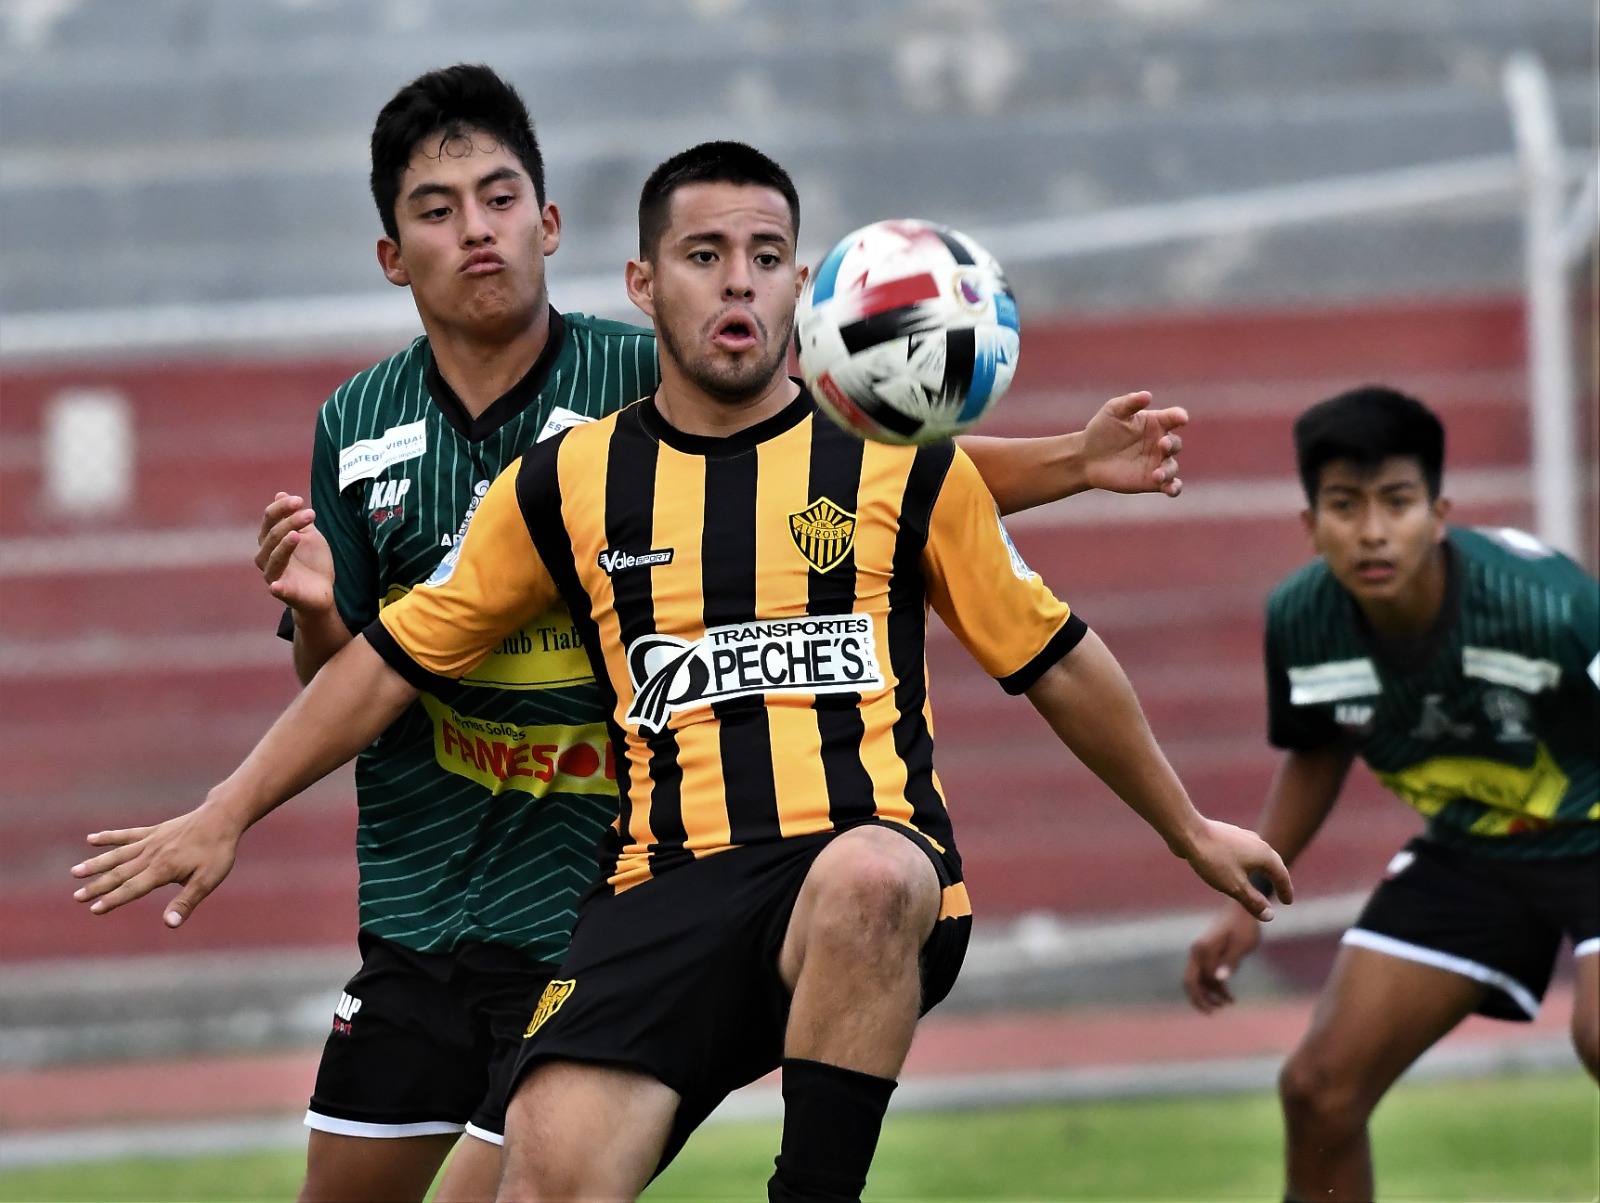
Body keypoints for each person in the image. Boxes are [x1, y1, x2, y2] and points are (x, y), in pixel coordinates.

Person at [74, 138, 1289, 1202]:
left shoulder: (903, 465)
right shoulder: (568, 483)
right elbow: (391, 658)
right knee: (539, 1178)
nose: (740, 282)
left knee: (868, 874)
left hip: (862, 866)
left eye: (767, 255)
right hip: (661, 891)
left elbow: (1058, 660)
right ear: (645, 285)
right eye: (705, 256)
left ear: (803, 285)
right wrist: (226, 809)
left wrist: (1187, 831)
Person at [1182, 386, 1599, 1203]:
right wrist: (1248, 897)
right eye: (1344, 505)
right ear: (1310, 523)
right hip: (1477, 849)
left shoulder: (1549, 607)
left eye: (1397, 503)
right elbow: (1320, 748)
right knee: (1319, 1087)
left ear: (1439, 512)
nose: (1372, 531)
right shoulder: (1303, 619)